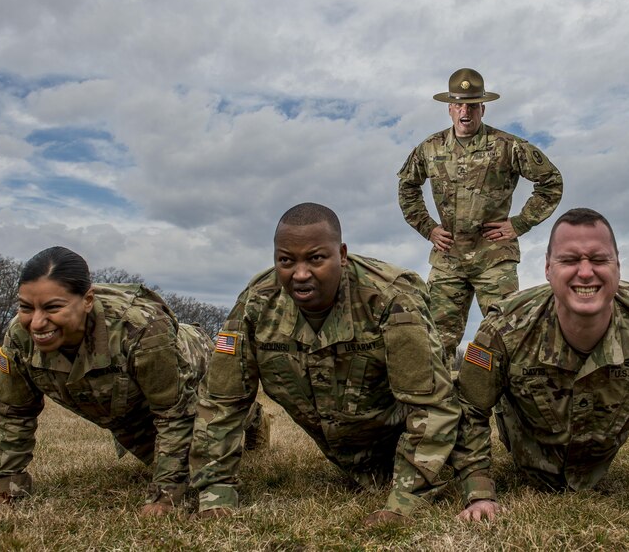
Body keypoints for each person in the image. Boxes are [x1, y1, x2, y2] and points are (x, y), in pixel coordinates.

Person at [190, 202, 460, 525]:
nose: (300, 274)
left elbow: (431, 406)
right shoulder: (257, 303)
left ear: (342, 254)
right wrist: (215, 492)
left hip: (405, 442)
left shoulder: (390, 298)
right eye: (286, 261)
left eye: (316, 258)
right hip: (343, 455)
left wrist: (403, 501)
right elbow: (221, 401)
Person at [451, 208, 629, 526]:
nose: (586, 272)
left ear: (618, 266)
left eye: (598, 259)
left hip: (601, 452)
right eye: (570, 260)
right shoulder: (505, 327)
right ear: (548, 268)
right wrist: (479, 493)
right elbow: (469, 408)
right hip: (528, 450)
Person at [0, 246, 263, 516]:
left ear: (87, 300)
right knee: (156, 449)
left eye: (53, 308)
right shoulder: (19, 338)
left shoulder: (140, 327)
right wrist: (3, 488)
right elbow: (13, 413)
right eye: (26, 307)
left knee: (221, 417)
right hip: (127, 400)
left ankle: (255, 418)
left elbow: (173, 414)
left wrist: (166, 496)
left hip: (195, 361)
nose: (36, 322)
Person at [398, 68, 564, 359]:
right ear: (450, 108)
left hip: (494, 258)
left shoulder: (507, 146)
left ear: (482, 109)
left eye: (472, 105)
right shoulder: (430, 148)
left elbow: (551, 181)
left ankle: (500, 405)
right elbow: (407, 187)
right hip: (449, 259)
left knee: (507, 339)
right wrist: (427, 228)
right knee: (432, 344)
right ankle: (440, 404)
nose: (465, 111)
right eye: (459, 104)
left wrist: (520, 223)